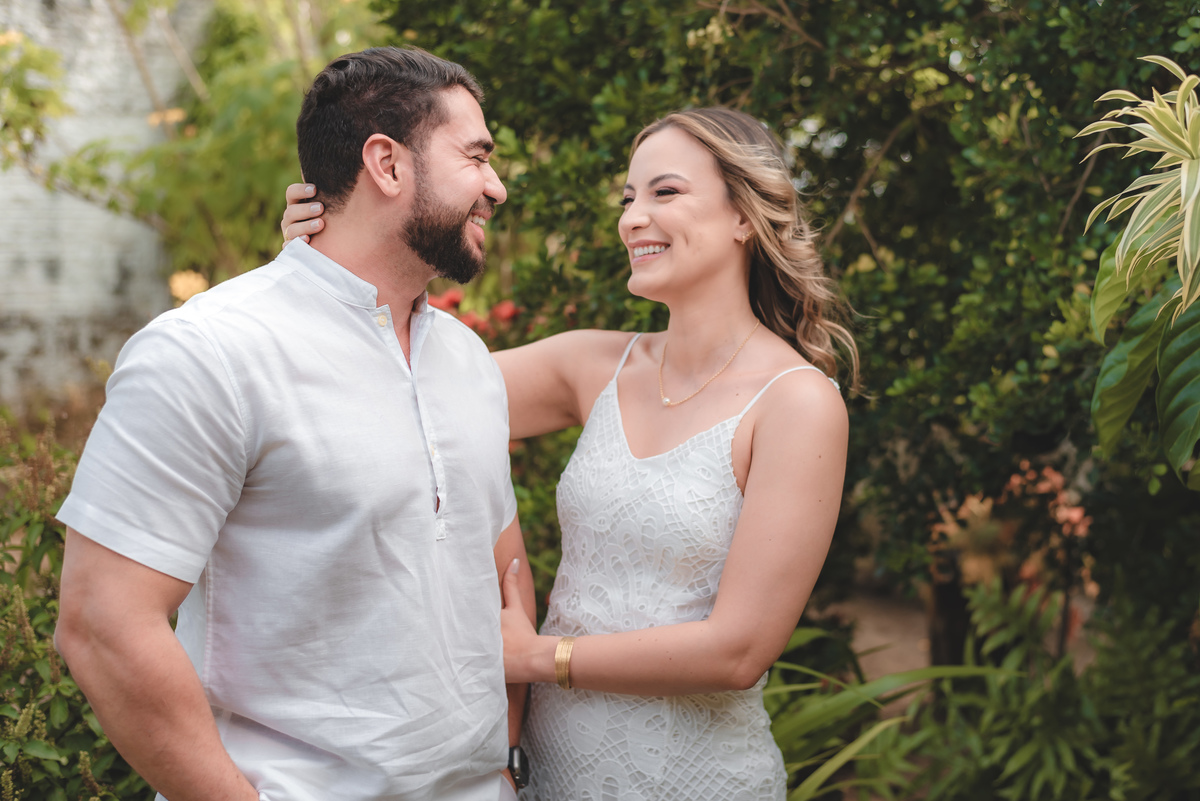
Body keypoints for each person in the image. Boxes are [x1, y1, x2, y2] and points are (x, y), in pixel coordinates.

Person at [282, 106, 855, 798]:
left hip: (691, 776)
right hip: (550, 772)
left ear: (744, 217)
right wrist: (325, 260)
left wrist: (536, 656)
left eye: (664, 192)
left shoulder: (797, 402)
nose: (633, 217)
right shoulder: (593, 366)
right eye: (628, 197)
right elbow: (394, 388)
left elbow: (737, 650)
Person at [55, 46, 536, 801]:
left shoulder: (470, 360)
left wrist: (508, 758)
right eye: (477, 157)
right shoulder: (210, 350)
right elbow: (101, 623)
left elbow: (503, 577)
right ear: (387, 163)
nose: (496, 187)